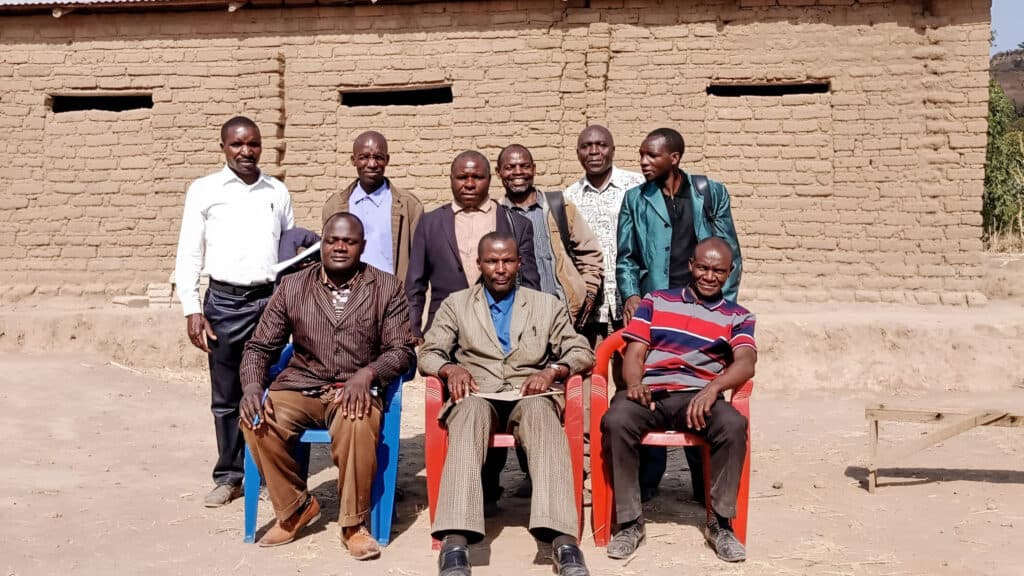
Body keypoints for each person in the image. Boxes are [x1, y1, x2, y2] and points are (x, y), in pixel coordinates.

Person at [238, 212, 416, 558]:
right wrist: (251, 387)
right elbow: (259, 347)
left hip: (354, 388)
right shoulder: (293, 286)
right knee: (257, 417)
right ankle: (295, 507)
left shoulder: (386, 286)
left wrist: (367, 375)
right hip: (302, 384)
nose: (339, 247)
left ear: (361, 247)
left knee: (356, 419)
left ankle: (353, 525)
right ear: (323, 243)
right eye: (332, 240)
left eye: (348, 242)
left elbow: (401, 351)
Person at [419, 232, 595, 576]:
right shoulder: (456, 304)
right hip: (477, 390)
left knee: (543, 418)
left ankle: (562, 540)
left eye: (508, 261)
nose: (500, 269)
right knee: (467, 415)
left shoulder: (546, 304)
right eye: (492, 261)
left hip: (528, 392)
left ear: (519, 262)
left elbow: (580, 351)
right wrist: (449, 367)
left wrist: (553, 370)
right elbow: (429, 352)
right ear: (480, 264)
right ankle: (456, 542)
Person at [601, 238, 755, 563]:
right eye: (703, 267)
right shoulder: (657, 300)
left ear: (729, 273)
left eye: (718, 270)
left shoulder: (738, 316)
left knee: (733, 424)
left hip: (699, 397)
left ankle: (721, 524)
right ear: (691, 266)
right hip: (652, 393)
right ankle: (629, 523)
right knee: (616, 420)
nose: (709, 276)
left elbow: (745, 362)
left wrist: (713, 389)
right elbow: (636, 351)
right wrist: (633, 383)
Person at [616, 127, 744, 503]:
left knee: (700, 386)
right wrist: (632, 295)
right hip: (658, 313)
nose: (642, 162)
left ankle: (705, 484)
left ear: (674, 158)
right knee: (651, 388)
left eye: (650, 155)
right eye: (641, 154)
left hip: (704, 307)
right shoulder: (635, 199)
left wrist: (722, 312)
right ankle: (648, 480)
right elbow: (626, 258)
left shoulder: (710, 193)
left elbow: (730, 255)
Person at [174, 116, 294, 508]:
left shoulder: (276, 191)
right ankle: (230, 475)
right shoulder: (205, 190)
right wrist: (193, 308)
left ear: (262, 147)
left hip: (269, 303)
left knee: (270, 390)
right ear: (223, 147)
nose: (246, 151)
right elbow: (190, 251)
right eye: (237, 144)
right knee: (226, 396)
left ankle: (267, 472)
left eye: (253, 144)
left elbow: (288, 252)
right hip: (223, 303)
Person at [405, 150, 540, 341]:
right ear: (452, 179)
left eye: (477, 177)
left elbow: (530, 283)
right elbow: (414, 285)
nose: (469, 184)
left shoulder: (516, 223)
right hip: (444, 329)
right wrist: (413, 329)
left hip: (502, 329)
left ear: (490, 178)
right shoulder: (430, 223)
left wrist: (531, 329)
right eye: (462, 177)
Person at [497, 144, 604, 326]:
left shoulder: (559, 206)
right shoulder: (497, 215)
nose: (518, 172)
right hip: (518, 319)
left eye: (524, 166)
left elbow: (590, 253)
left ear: (534, 169)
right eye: (510, 167)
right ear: (498, 172)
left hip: (563, 314)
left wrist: (587, 292)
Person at [563, 125, 644, 346]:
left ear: (613, 150)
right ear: (578, 153)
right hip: (592, 307)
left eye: (601, 145)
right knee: (592, 370)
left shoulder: (638, 187)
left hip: (634, 300)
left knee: (631, 372)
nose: (594, 151)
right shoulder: (568, 198)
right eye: (586, 146)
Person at [322, 131, 423, 281]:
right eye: (364, 157)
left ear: (387, 160)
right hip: (346, 295)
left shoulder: (409, 206)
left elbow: (419, 263)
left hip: (392, 297)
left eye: (378, 157)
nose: (372, 164)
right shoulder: (334, 206)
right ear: (353, 160)